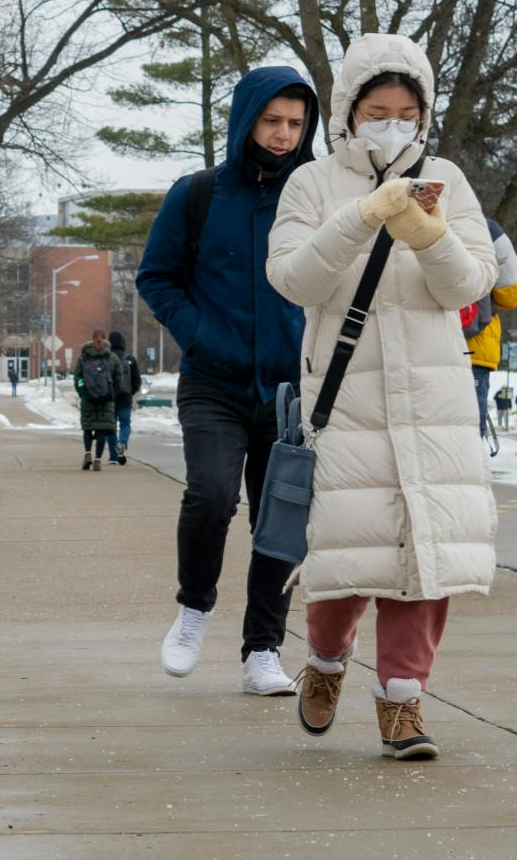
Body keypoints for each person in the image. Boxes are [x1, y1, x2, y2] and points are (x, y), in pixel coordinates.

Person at [266, 33, 498, 761]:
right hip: (346, 403)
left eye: (406, 112)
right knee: (345, 556)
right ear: (349, 110)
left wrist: (424, 231)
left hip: (434, 400)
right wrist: (362, 217)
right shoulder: (311, 185)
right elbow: (295, 280)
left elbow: (468, 284)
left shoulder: (449, 180)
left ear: (424, 114)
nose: (392, 123)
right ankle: (327, 662)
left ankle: (403, 701)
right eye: (377, 110)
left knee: (424, 561)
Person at [137, 66, 321, 696]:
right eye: (272, 120)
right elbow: (155, 278)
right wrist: (204, 337)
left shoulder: (317, 197)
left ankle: (262, 651)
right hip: (213, 383)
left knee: (281, 520)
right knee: (212, 495)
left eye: (296, 123)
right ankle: (193, 609)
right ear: (246, 119)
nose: (283, 134)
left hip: (289, 391)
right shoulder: (198, 194)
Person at [461, 219, 517, 435]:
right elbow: (514, 295)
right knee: (469, 432)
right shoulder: (481, 228)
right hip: (473, 349)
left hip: (415, 344)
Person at [74, 330, 123, 469]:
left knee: (88, 428)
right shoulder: (112, 357)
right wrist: (112, 392)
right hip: (106, 399)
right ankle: (97, 461)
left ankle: (88, 453)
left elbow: (78, 377)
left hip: (88, 399)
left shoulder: (83, 357)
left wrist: (83, 391)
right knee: (102, 429)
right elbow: (118, 378)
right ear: (106, 340)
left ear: (92, 339)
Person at [109, 330, 142, 464]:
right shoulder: (130, 359)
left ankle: (113, 456)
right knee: (125, 424)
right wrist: (130, 392)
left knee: (110, 427)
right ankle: (122, 442)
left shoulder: (107, 358)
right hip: (125, 397)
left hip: (110, 398)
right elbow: (137, 381)